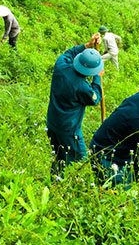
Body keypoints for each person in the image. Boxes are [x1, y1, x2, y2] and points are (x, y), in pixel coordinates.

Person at [46, 34, 104, 179]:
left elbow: (69, 53)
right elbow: (95, 98)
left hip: (52, 123)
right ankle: (69, 187)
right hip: (69, 130)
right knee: (80, 160)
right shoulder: (82, 88)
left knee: (59, 156)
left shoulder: (61, 65)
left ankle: (55, 180)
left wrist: (87, 45)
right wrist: (98, 76)